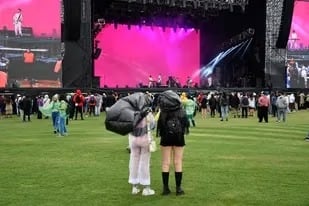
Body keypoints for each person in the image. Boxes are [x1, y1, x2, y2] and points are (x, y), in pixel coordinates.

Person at [156, 90, 189, 196]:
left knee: (166, 162)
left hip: (166, 137)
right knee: (178, 162)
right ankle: (178, 189)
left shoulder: (163, 112)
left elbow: (160, 128)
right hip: (179, 137)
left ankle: (166, 189)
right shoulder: (181, 111)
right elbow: (186, 125)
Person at [128, 110, 156, 196]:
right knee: (144, 162)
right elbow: (153, 125)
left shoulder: (129, 112)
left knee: (133, 161)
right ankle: (146, 187)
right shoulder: (147, 112)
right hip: (144, 138)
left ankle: (134, 186)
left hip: (133, 139)